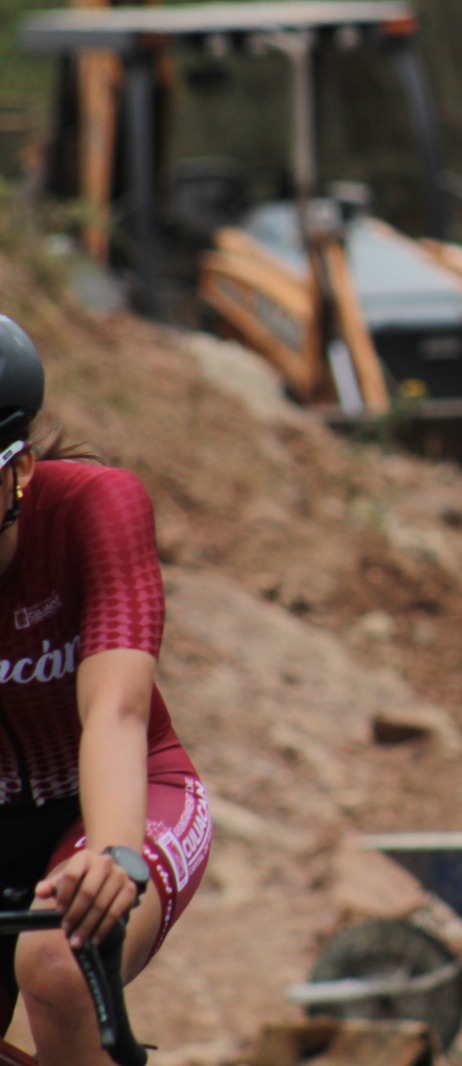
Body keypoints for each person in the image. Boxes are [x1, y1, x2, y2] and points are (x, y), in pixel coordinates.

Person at [0, 314, 212, 1061]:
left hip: (125, 795)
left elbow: (116, 713)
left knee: (58, 956)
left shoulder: (97, 507)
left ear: (19, 471)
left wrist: (116, 853)